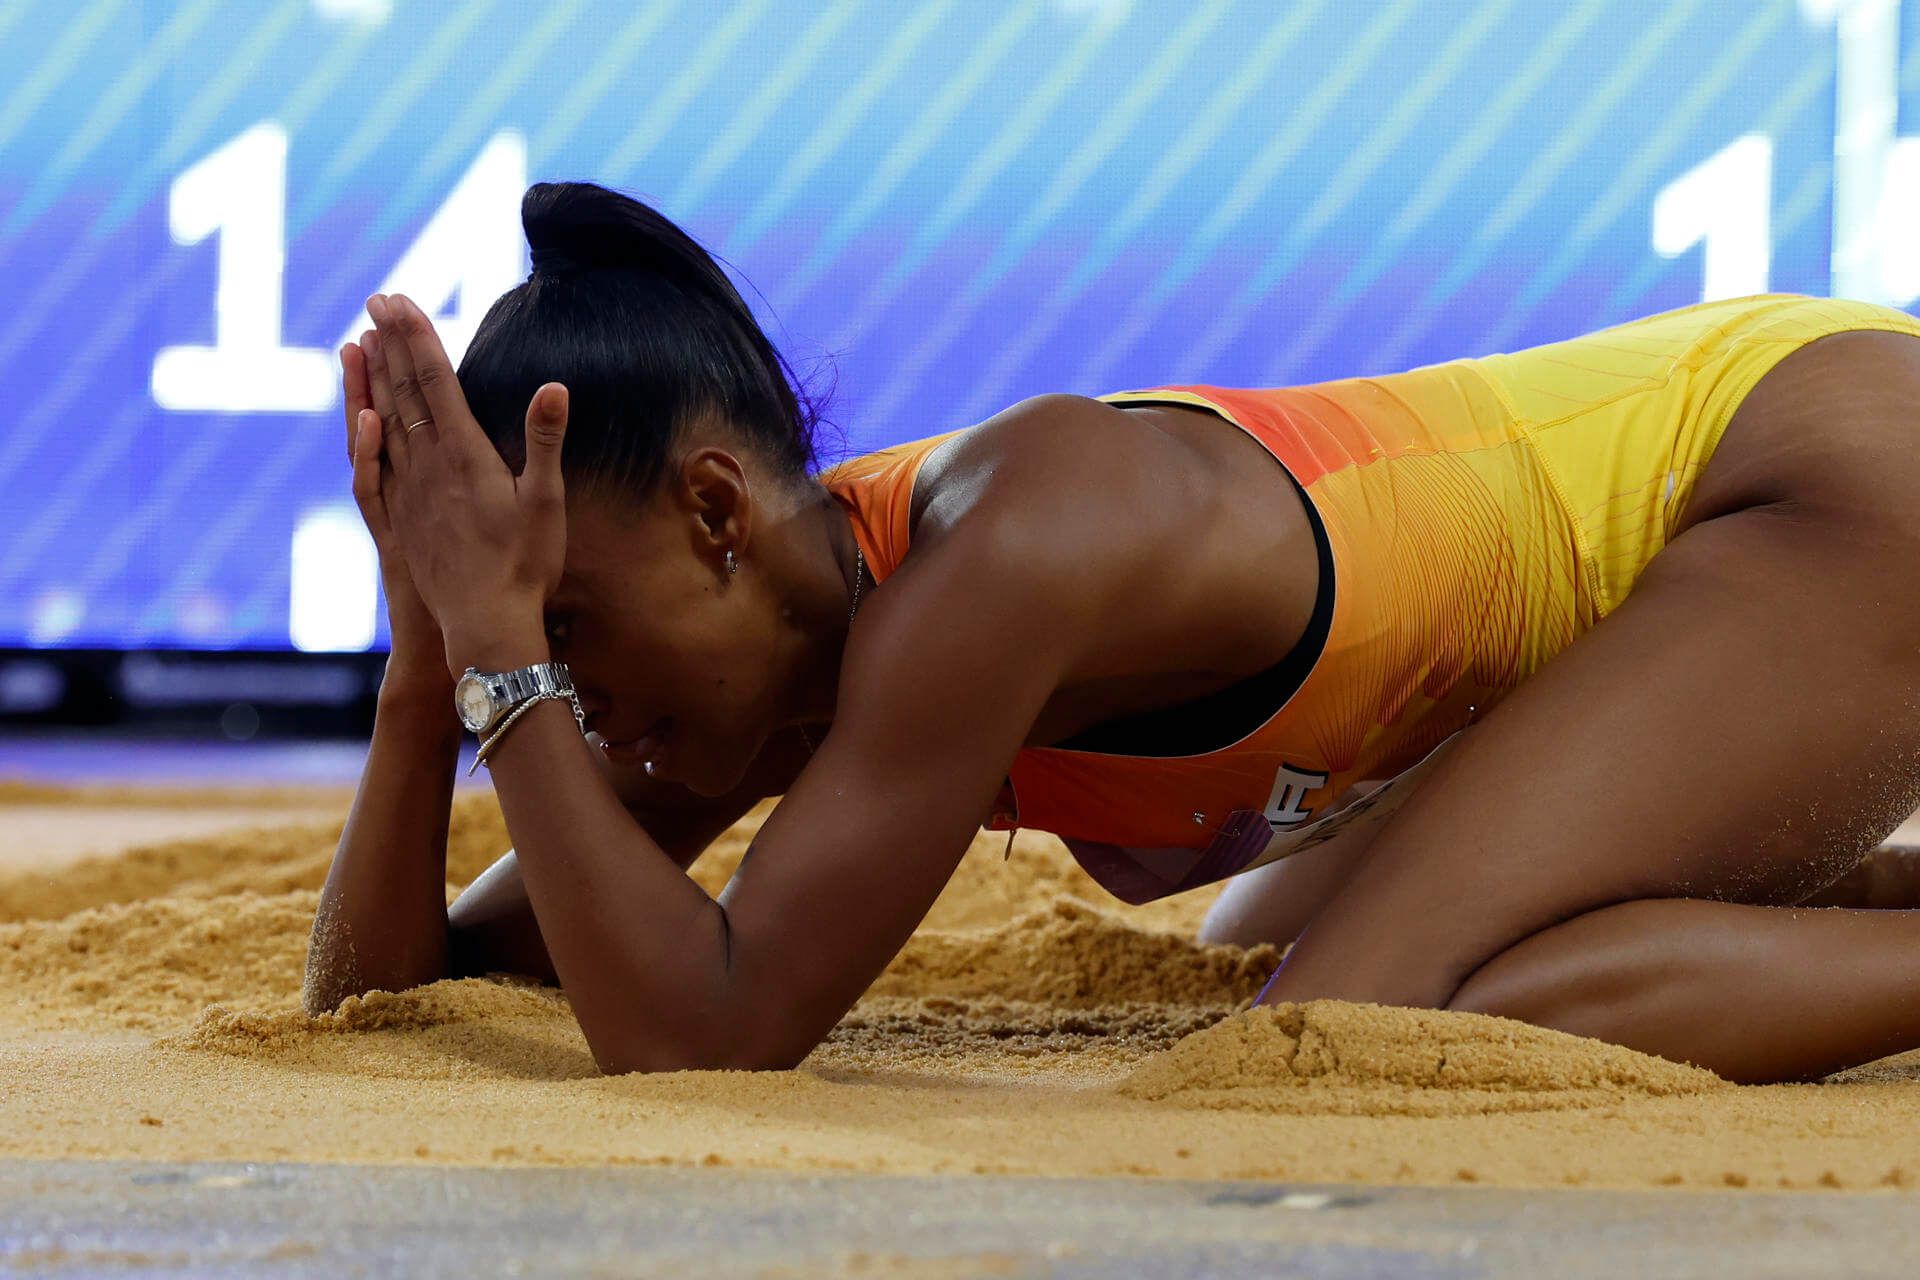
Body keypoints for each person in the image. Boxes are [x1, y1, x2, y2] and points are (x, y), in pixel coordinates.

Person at [304, 180, 1920, 1086]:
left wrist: (507, 662)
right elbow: (399, 992)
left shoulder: (1005, 553)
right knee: (1250, 955)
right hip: (1724, 525)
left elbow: (704, 1034)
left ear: (719, 516)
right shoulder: (763, 659)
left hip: (1822, 470)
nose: (565, 699)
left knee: (1344, 1026)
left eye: (567, 623)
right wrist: (433, 657)